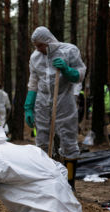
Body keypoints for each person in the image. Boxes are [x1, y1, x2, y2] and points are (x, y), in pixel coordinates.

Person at [24, 26, 86, 189]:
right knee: (42, 142)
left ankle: (69, 184)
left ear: (48, 42)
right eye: (35, 46)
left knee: (69, 142)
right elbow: (33, 82)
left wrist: (66, 69)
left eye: (40, 45)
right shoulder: (35, 58)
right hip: (42, 103)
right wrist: (28, 107)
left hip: (64, 101)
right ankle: (46, 181)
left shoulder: (69, 51)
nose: (38, 49)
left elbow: (80, 74)